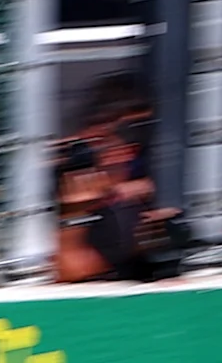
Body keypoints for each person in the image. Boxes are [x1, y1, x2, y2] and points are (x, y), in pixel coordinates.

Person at [54, 75, 181, 282]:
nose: (125, 150)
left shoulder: (150, 178)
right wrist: (75, 214)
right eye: (102, 139)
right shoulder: (70, 178)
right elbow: (70, 271)